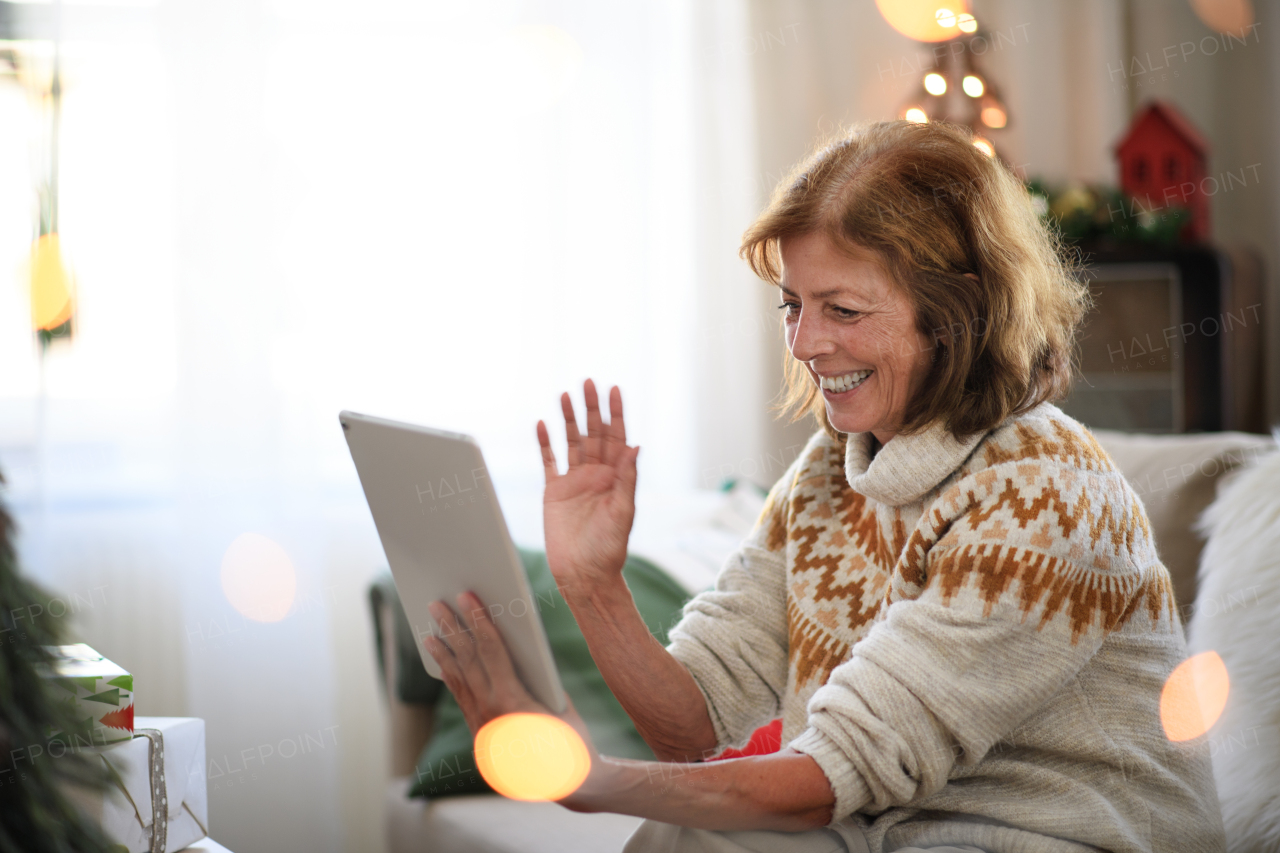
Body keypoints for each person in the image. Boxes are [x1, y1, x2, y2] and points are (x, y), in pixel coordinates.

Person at [423, 120, 1226, 853]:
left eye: (841, 308)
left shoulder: (1047, 491)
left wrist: (584, 777)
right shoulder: (831, 470)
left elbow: (836, 773)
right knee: (682, 837)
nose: (806, 343)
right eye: (793, 306)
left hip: (1051, 837)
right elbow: (695, 724)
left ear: (958, 316)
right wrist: (591, 581)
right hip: (895, 830)